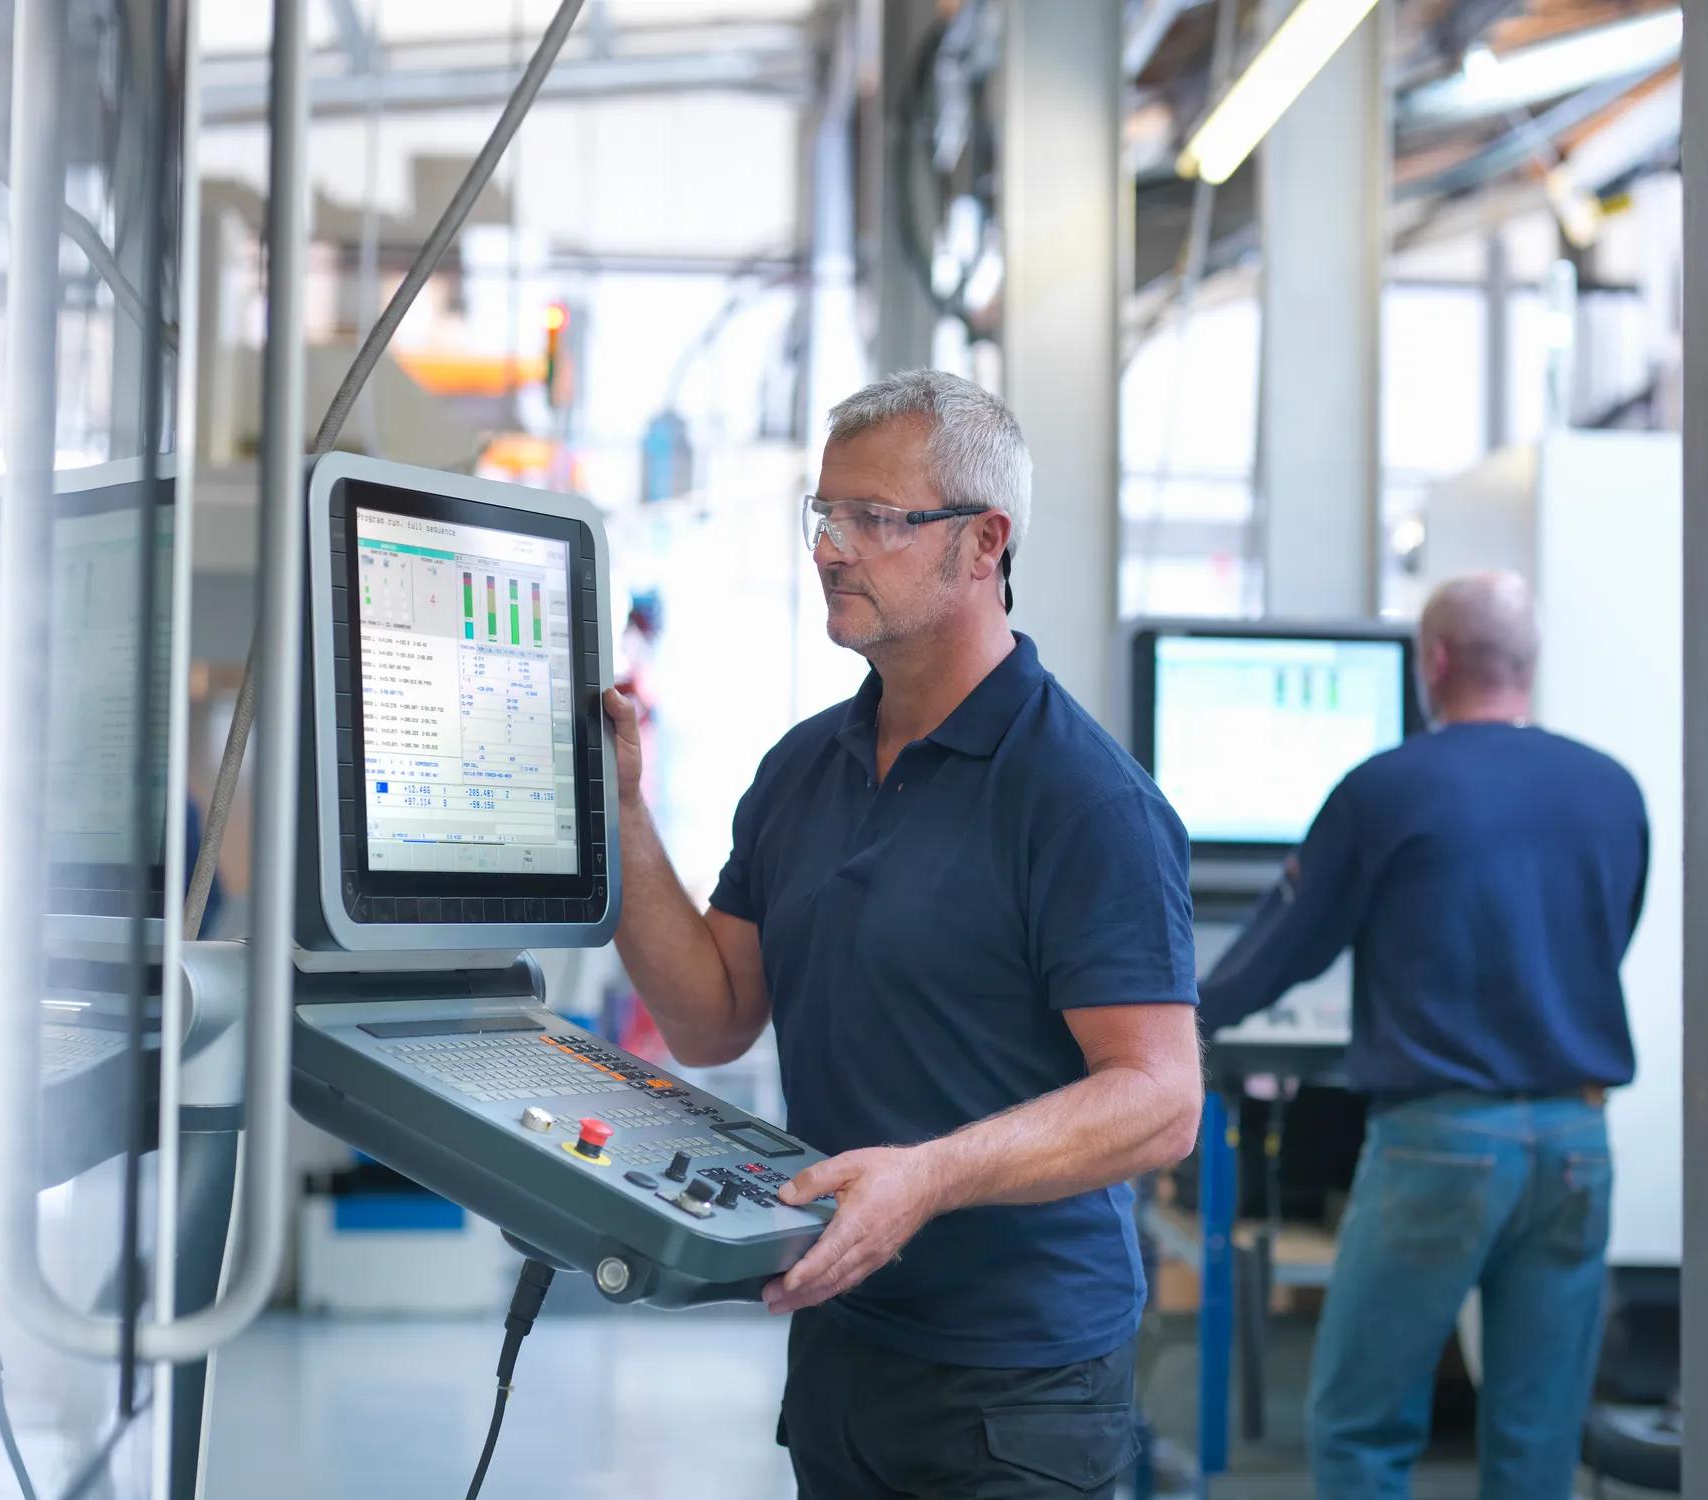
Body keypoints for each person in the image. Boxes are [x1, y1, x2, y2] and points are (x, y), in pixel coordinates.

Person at [605, 369, 1204, 1498]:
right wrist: (622, 813)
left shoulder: (1079, 799)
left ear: (983, 545)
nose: (831, 547)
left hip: (1016, 1387)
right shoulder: (803, 769)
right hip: (842, 1333)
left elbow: (1160, 1101)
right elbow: (707, 1016)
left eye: (874, 520)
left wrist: (926, 1179)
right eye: (823, 516)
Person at [1198, 571, 1647, 1500]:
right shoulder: (1613, 790)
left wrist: (1182, 1019)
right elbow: (1615, 929)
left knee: (1362, 1425)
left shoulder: (1385, 788)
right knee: (1536, 1434)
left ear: (1432, 662)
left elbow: (1290, 944)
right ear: (1529, 662)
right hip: (1576, 1145)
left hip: (1441, 1144)